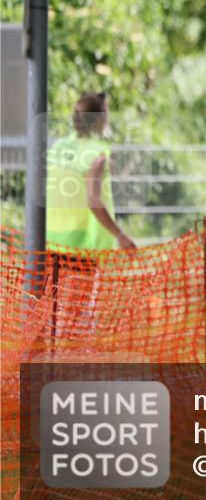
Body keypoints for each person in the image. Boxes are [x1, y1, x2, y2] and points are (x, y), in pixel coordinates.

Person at [45, 92, 135, 334]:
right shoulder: (97, 153)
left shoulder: (58, 147)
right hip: (80, 249)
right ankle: (67, 371)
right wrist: (121, 235)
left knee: (52, 320)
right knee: (76, 324)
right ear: (99, 120)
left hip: (50, 245)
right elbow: (94, 201)